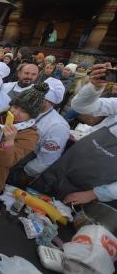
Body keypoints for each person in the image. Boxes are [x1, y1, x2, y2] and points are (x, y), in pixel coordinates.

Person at [32, 63, 117, 207]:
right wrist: (94, 88)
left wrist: (94, 194)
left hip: (88, 189)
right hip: (65, 167)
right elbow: (80, 106)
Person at [0, 83, 49, 213]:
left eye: (23, 111)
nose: (16, 113)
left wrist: (9, 141)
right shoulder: (1, 117)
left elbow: (7, 162)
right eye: (16, 107)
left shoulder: (30, 134)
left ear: (31, 116)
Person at [8, 78, 70, 185]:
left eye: (39, 99)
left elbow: (47, 158)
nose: (32, 100)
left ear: (49, 102)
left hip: (21, 166)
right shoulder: (25, 109)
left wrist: (22, 173)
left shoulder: (58, 126)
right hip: (8, 152)